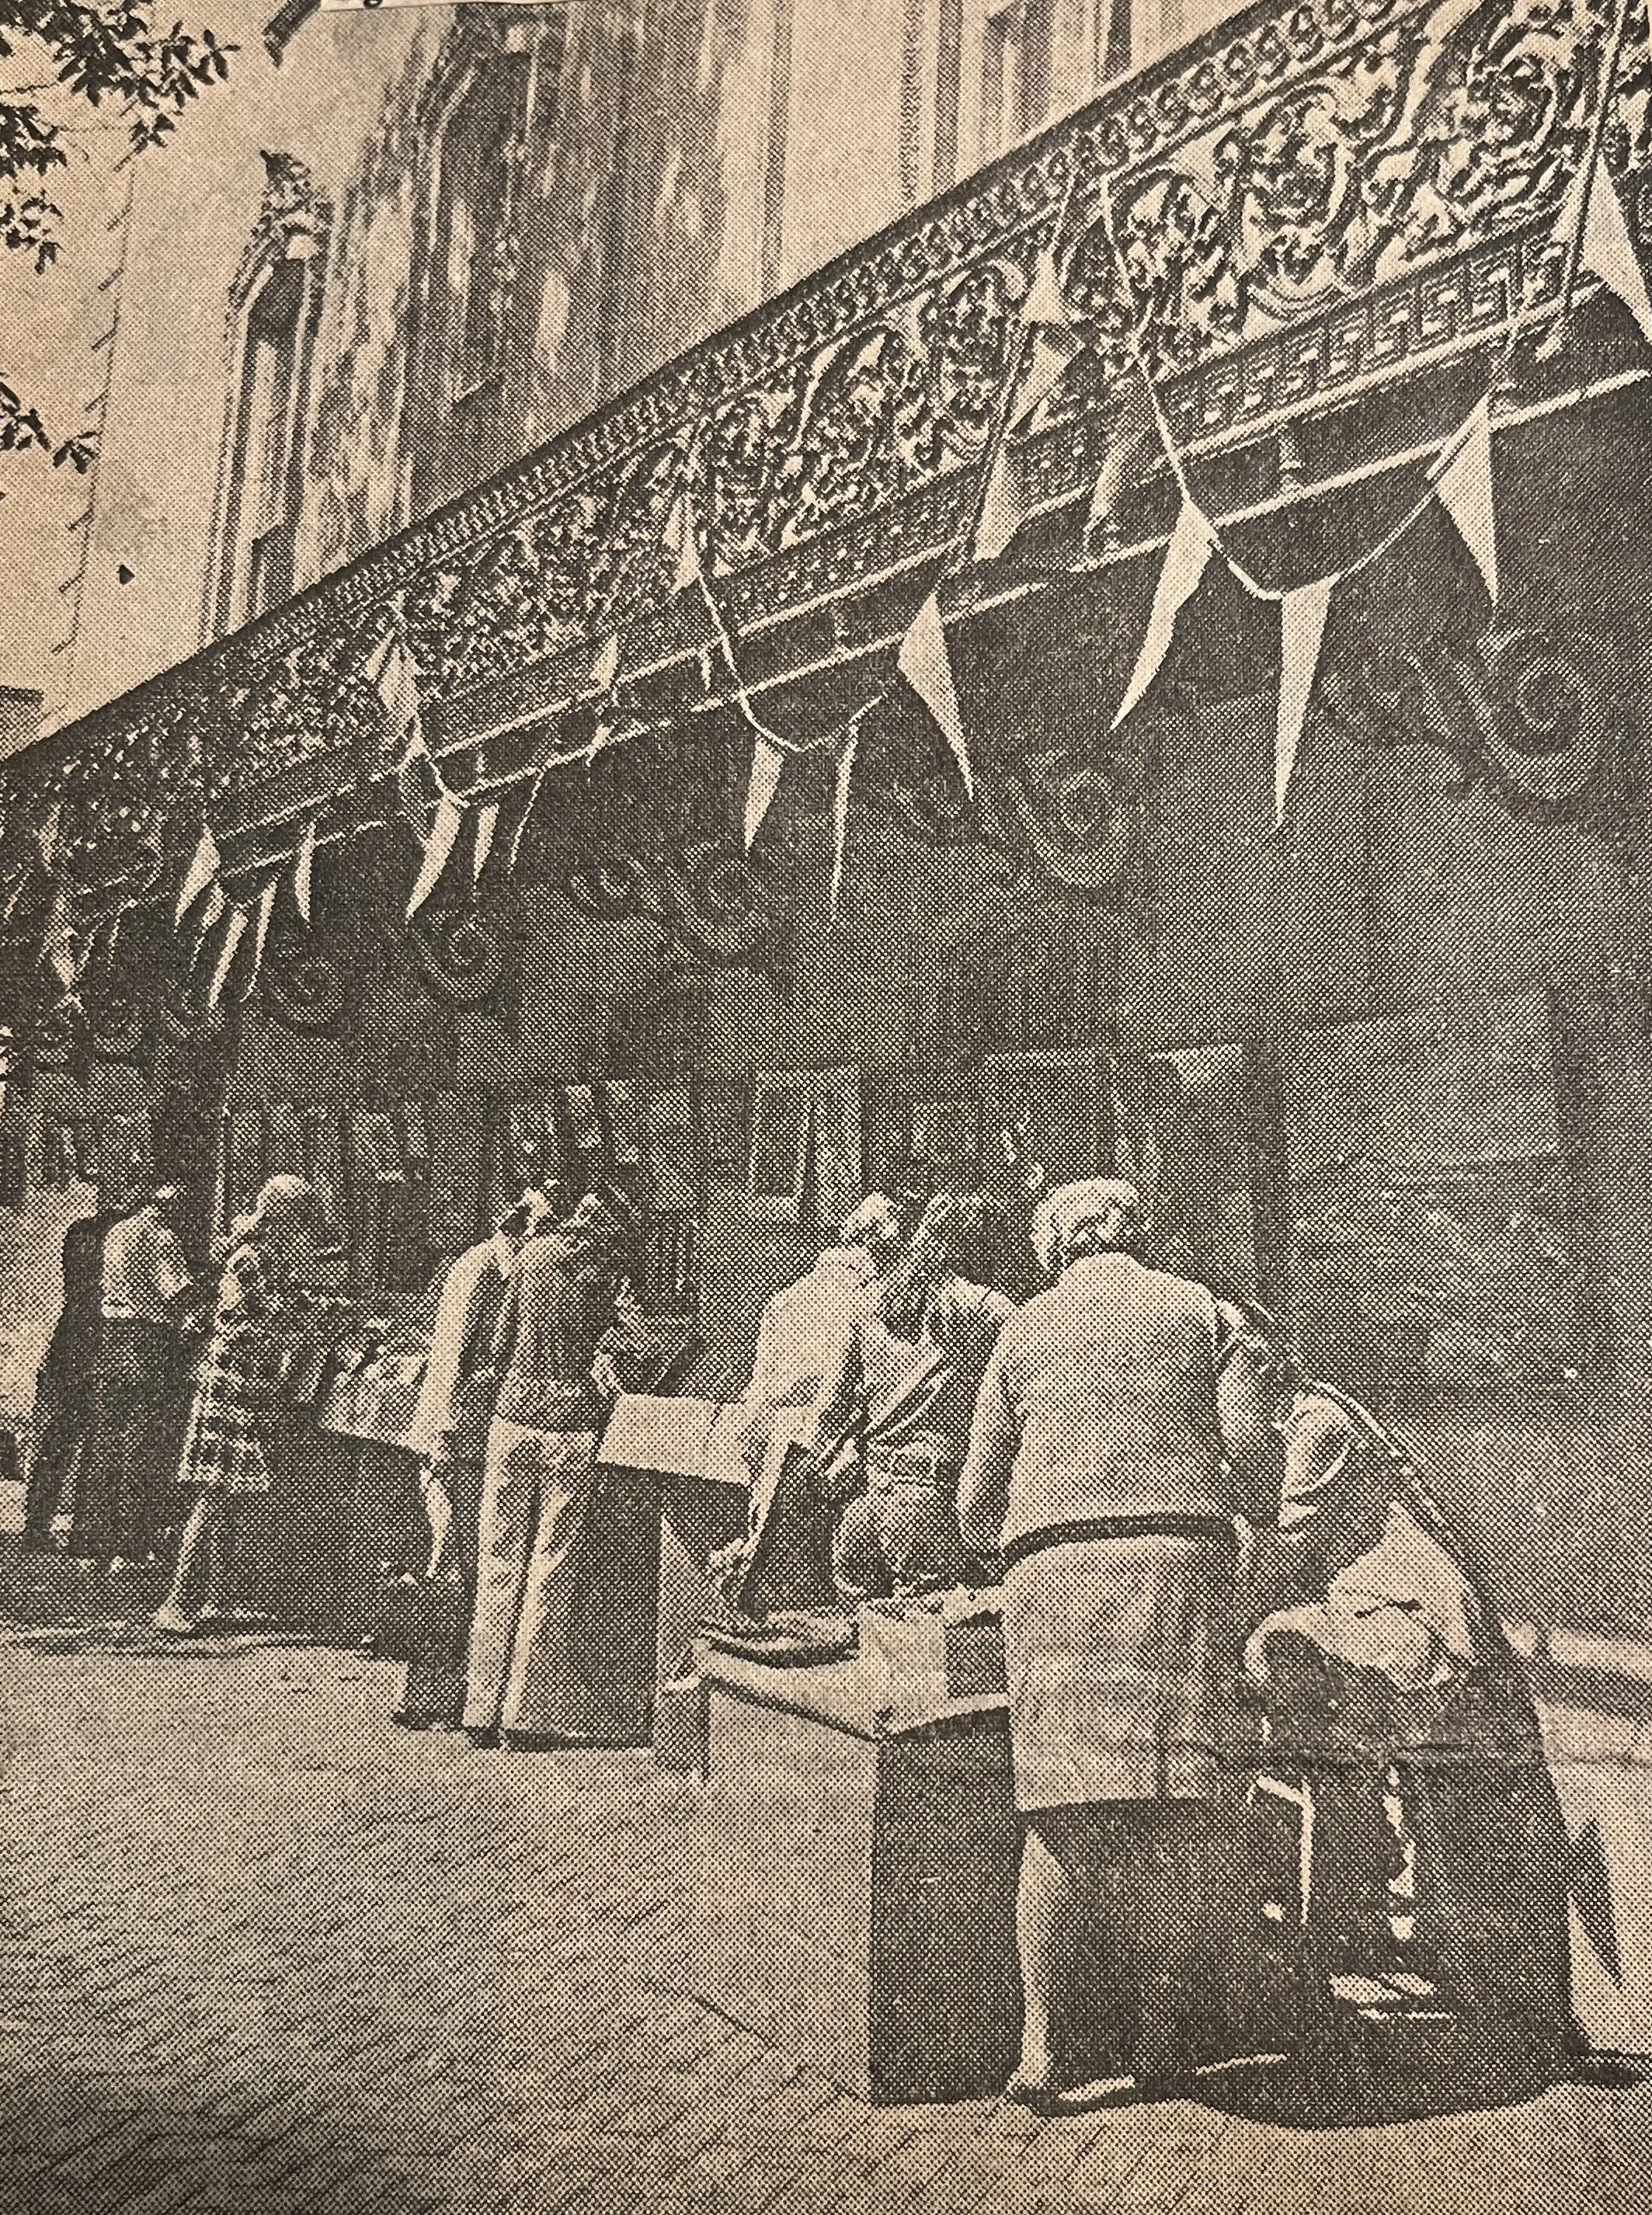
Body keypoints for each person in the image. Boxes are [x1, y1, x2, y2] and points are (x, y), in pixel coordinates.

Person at [957, 1179, 1267, 2107]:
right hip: (1180, 1574)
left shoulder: (1021, 1330)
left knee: (1062, 1817)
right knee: (1178, 1817)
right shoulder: (1208, 1312)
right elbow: (1253, 1462)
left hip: (1058, 1582)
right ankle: (1163, 2043)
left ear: (1056, 1248)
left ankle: (1044, 2054)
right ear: (1136, 1234)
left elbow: (975, 1509)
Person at [1233, 1313, 1577, 2067]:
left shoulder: (1317, 1423)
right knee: (1414, 1805)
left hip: (1407, 1620)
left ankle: (1322, 1975)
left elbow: (1283, 1554)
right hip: (1393, 1621)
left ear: (1259, 1375)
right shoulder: (1319, 1416)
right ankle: (1402, 1964)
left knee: (1343, 1779)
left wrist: (1223, 1615)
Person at [461, 1190, 644, 1749]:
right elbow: (634, 1348)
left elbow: (497, 1345)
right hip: (570, 1426)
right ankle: (525, 1711)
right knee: (550, 1569)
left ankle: (478, 1706)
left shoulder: (531, 1256)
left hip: (512, 1418)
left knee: (497, 1565)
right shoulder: (603, 1275)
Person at [391, 1192, 548, 1730]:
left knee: (472, 1569)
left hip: (474, 1436)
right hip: (457, 1435)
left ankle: (452, 1693)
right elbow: (456, 1363)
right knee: (451, 1567)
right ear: (521, 1232)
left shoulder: (500, 1269)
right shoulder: (482, 1270)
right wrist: (446, 1439)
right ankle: (427, 1696)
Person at [812, 1193, 1013, 1605]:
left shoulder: (867, 1308)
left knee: (871, 1644)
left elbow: (832, 1412)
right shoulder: (976, 1306)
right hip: (929, 1506)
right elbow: (1036, 1339)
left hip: (863, 1514)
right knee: (933, 1647)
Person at [153, 1177, 329, 1637]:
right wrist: (287, 1321)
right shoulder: (247, 1260)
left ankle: (211, 1597)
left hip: (245, 1383)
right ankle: (176, 1603)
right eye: (299, 1226)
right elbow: (235, 1322)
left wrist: (296, 1305)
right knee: (211, 1496)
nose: (304, 1238)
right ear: (279, 1222)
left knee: (232, 1499)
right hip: (230, 1384)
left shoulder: (269, 1261)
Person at [78, 1184, 197, 1574]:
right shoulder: (162, 1236)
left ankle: (92, 1541)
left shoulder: (117, 1232)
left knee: (104, 1441)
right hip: (145, 1343)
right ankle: (130, 1545)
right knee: (142, 1443)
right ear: (169, 1205)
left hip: (110, 1340)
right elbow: (175, 1292)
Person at [23, 1201, 121, 1556]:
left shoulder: (84, 1233)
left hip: (73, 1344)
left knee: (62, 1441)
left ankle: (41, 1523)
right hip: (90, 1348)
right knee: (79, 1442)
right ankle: (57, 1527)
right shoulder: (102, 1236)